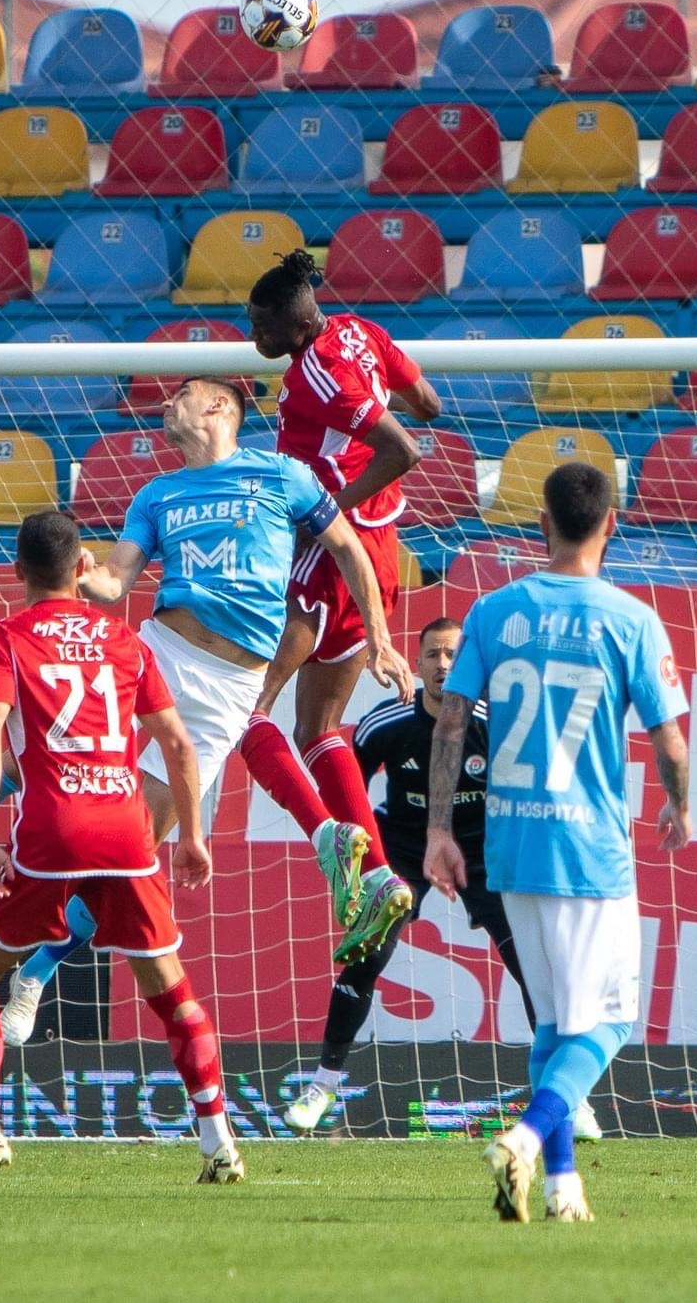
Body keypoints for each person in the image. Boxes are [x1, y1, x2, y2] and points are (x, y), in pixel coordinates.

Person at [426, 463, 693, 1225]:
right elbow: (668, 741)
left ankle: (559, 1190)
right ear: (613, 524)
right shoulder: (630, 618)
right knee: (611, 1023)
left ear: (539, 525)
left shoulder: (495, 609)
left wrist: (441, 829)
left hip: (511, 845)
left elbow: (450, 721)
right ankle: (527, 1137)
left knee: (553, 1025)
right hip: (590, 850)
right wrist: (681, 805)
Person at [0, 510, 242, 1187]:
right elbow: (176, 742)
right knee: (170, 990)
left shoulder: (4, 638)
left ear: (16, 571)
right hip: (128, 828)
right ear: (84, 568)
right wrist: (190, 834)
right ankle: (218, 1139)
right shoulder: (127, 641)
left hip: (51, 830)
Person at [80, 375, 418, 970]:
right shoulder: (156, 494)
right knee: (46, 735)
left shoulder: (282, 475)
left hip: (230, 686)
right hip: (158, 652)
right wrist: (82, 576)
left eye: (176, 397)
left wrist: (381, 639)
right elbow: (114, 582)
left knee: (134, 845)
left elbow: (348, 547)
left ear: (215, 406)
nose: (164, 406)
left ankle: (35, 973)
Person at [283, 617, 602, 1141]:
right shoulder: (382, 723)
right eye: (432, 654)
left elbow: (530, 794)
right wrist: (358, 863)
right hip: (403, 844)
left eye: (452, 654)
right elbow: (348, 791)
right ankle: (322, 1086)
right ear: (417, 661)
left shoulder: (493, 722)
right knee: (370, 951)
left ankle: (571, 1095)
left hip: (481, 846)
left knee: (532, 965)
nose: (443, 665)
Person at [236, 251, 442, 942]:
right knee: (318, 730)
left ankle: (327, 836)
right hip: (379, 559)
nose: (253, 338)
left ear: (287, 324)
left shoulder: (315, 371)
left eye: (258, 326)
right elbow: (429, 405)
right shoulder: (360, 330)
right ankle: (381, 875)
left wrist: (326, 511)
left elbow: (404, 448)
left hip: (328, 560)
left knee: (245, 709)